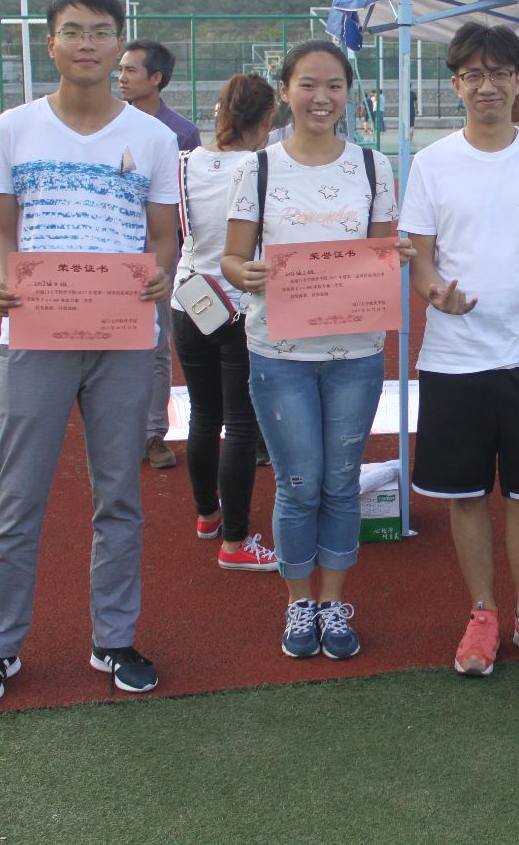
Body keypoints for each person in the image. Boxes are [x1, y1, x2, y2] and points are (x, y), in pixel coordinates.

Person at [0, 0, 178, 707]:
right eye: (74, 32)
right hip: (35, 334)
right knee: (17, 495)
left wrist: (161, 274)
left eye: (102, 32)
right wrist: (2, 278)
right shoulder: (14, 128)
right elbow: (0, 228)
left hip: (121, 337)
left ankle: (114, 637)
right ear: (50, 42)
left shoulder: (152, 138)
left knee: (119, 494)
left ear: (120, 45)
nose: (88, 44)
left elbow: (163, 236)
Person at [400, 24, 519, 676]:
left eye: (500, 73)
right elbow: (420, 260)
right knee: (466, 492)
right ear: (456, 85)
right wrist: (436, 295)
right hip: (455, 358)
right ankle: (482, 613)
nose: (487, 86)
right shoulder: (431, 163)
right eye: (473, 75)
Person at [222, 41, 408, 662]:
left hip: (356, 352)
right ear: (285, 91)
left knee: (340, 482)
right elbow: (232, 257)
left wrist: (394, 257)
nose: (321, 98)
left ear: (349, 93)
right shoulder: (258, 169)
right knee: (299, 484)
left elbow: (382, 251)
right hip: (279, 353)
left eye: (333, 85)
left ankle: (332, 602)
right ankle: (299, 602)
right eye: (307, 85)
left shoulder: (374, 167)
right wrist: (245, 273)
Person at [173, 73, 278, 573]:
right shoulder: (260, 167)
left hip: (190, 299)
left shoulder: (184, 163)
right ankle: (235, 543)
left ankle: (207, 515)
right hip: (240, 304)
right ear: (268, 119)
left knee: (203, 414)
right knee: (239, 424)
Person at [118, 40, 201, 471]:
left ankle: (153, 433)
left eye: (130, 70)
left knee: (155, 346)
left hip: (159, 257)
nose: (121, 77)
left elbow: (187, 201)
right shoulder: (109, 125)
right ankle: (119, 432)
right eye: (120, 69)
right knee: (112, 345)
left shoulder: (181, 133)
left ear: (156, 78)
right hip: (113, 254)